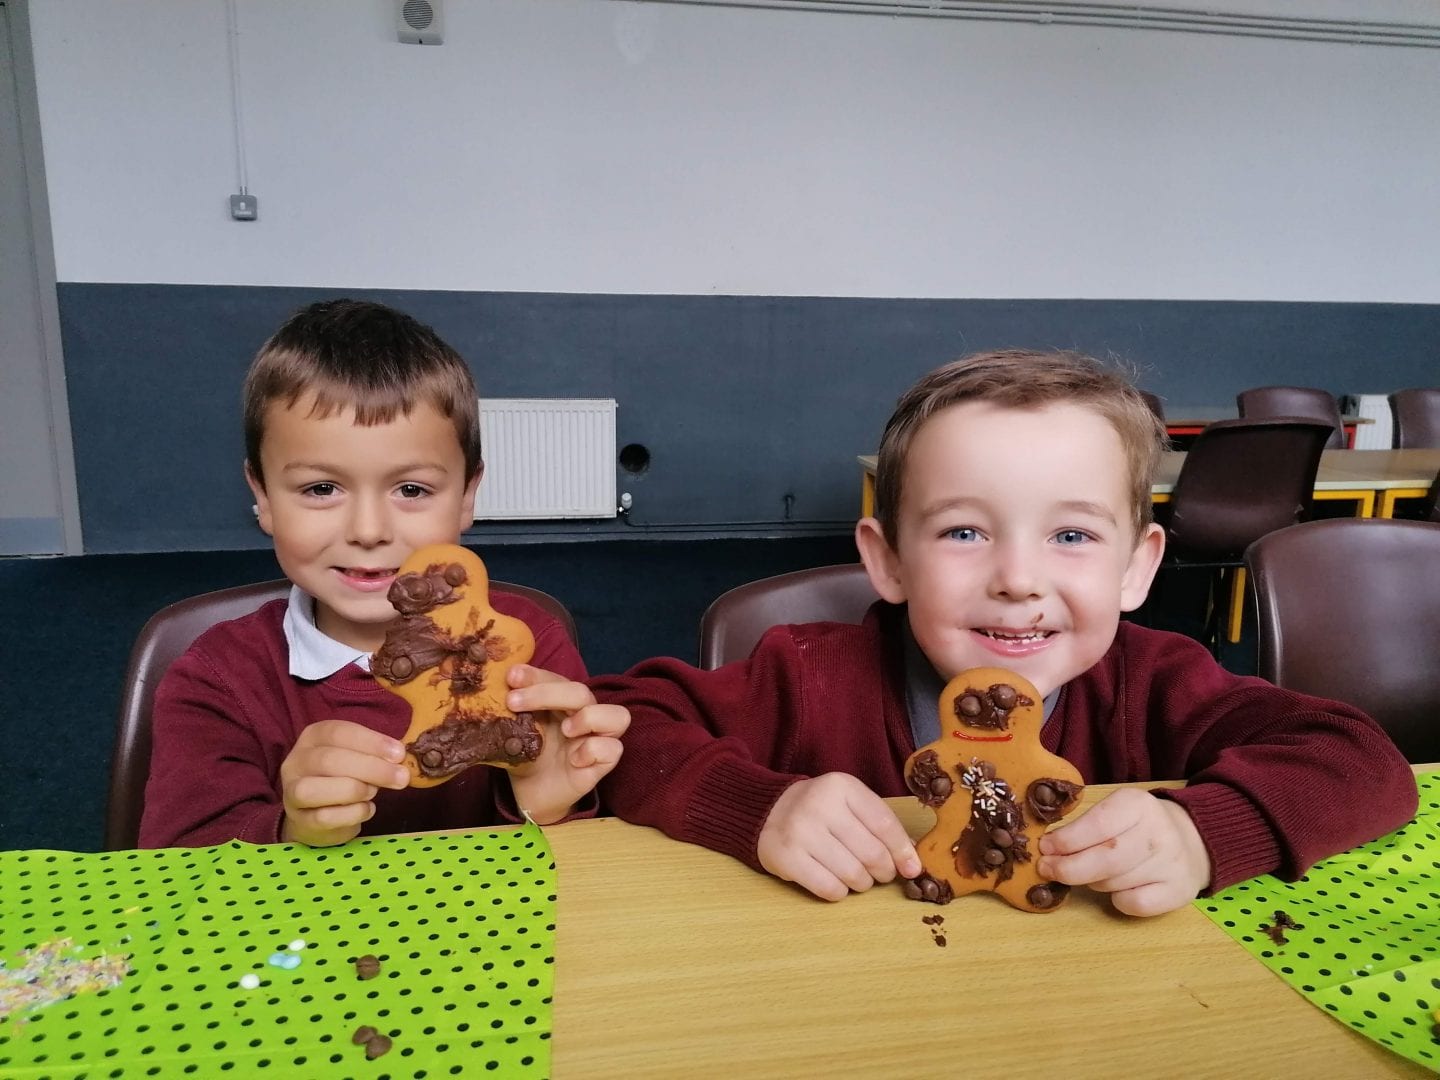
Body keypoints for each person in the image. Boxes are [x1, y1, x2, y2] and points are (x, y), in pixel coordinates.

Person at [591, 349, 1417, 916]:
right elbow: (618, 728)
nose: (1018, 578)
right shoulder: (807, 679)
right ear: (889, 561)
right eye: (963, 533)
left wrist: (1203, 834)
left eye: (1072, 536)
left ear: (1137, 567)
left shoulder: (1156, 682)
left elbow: (1360, 758)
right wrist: (759, 810)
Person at [139, 299, 628, 848]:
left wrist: (545, 801)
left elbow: (589, 860)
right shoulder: (218, 679)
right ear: (263, 496)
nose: (368, 530)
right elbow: (175, 876)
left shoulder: (527, 651)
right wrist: (286, 830)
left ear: (468, 495)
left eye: (411, 489)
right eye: (321, 489)